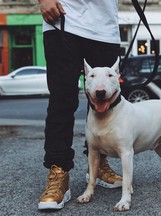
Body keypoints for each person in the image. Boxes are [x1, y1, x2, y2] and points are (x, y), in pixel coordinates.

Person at [37, 0, 122, 210]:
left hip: (104, 27)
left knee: (105, 102)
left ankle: (99, 164)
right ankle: (58, 171)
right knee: (62, 98)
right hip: (63, 18)